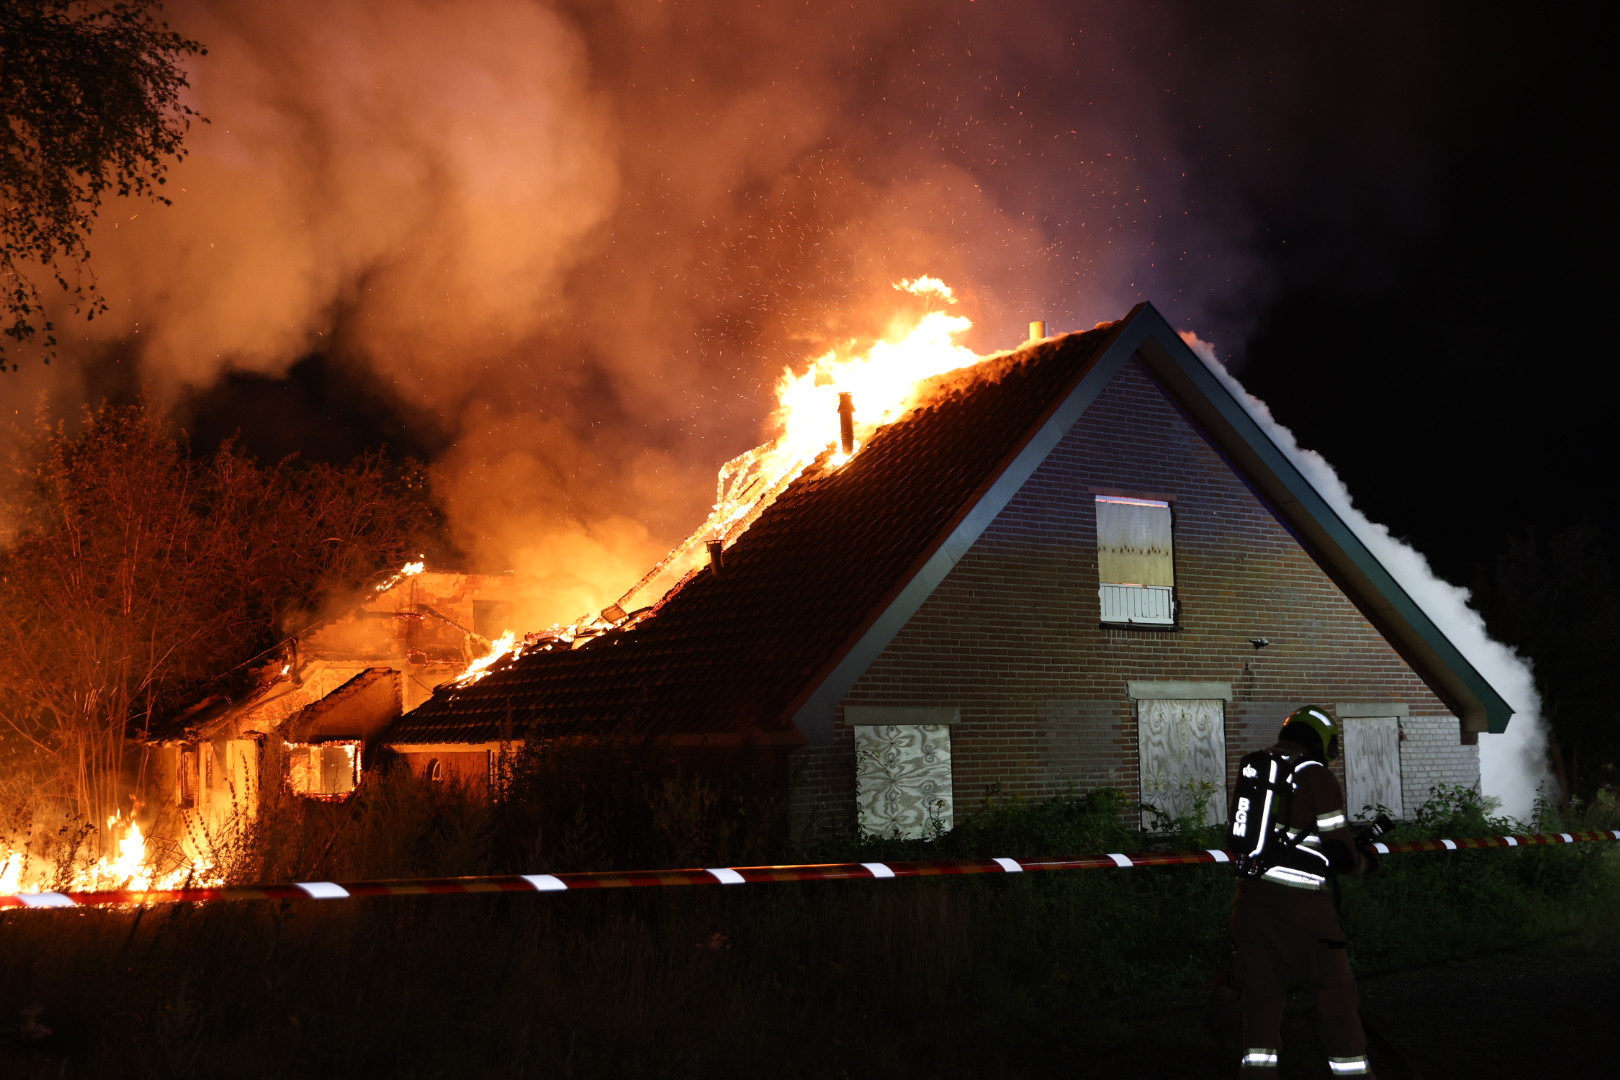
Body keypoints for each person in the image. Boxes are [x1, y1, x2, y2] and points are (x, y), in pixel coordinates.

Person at [1228, 706, 1376, 1077]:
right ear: (1322, 741)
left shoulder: (1258, 769)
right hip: (1305, 912)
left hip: (1251, 905)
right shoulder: (1315, 775)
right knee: (1335, 999)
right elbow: (1341, 854)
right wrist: (1365, 862)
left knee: (1260, 1002)